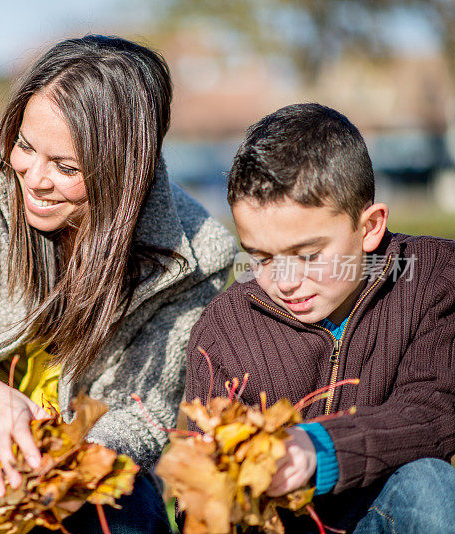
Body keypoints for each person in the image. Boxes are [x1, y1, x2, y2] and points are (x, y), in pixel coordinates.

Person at [0, 34, 237, 532]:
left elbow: (140, 418)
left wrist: (45, 468)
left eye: (66, 167)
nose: (33, 178)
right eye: (25, 145)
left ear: (128, 173)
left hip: (70, 464)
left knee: (130, 508)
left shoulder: (194, 254)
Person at [183, 103, 455, 532]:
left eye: (308, 255)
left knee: (428, 483)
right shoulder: (224, 330)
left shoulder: (431, 278)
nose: (286, 281)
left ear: (369, 227)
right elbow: (194, 485)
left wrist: (317, 448)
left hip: (385, 511)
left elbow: (433, 411)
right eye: (260, 257)